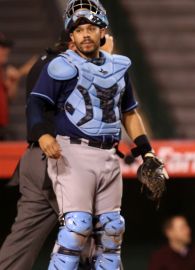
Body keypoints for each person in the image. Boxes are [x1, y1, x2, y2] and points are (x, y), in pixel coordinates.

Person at [26, 0, 168, 269]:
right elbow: (36, 103)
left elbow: (130, 113)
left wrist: (146, 152)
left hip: (109, 154)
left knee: (112, 230)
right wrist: (43, 135)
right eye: (79, 30)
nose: (86, 34)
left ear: (103, 31)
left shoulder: (118, 67)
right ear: (72, 35)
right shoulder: (60, 66)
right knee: (77, 227)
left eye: (91, 28)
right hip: (72, 153)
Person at [0, 30, 114, 270]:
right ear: (74, 41)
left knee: (21, 243)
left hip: (33, 160)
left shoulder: (45, 61)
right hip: (60, 161)